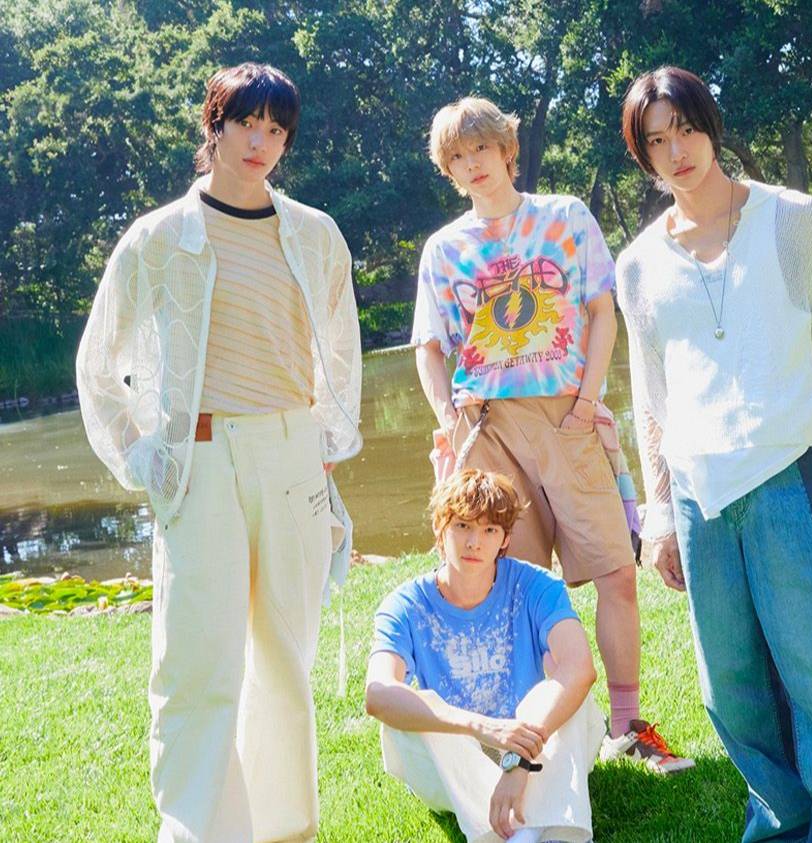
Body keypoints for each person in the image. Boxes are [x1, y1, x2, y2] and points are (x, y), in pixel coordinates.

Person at [75, 62, 361, 841]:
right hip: (198, 459)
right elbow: (98, 365)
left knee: (284, 652)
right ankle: (200, 828)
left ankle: (284, 826)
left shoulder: (314, 234)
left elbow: (340, 348)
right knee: (198, 655)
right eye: (246, 124)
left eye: (276, 129)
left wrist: (325, 441)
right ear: (215, 126)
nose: (260, 141)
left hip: (290, 452)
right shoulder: (160, 238)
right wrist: (144, 455)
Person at [614, 66, 812, 842]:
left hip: (790, 472)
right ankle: (780, 826)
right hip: (701, 496)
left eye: (686, 129)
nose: (677, 152)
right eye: (657, 141)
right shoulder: (637, 264)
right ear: (643, 155)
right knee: (733, 690)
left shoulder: (791, 218)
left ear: (711, 126)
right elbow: (651, 396)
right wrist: (661, 511)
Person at [411, 96, 689, 773]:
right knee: (510, 582)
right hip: (488, 429)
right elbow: (429, 346)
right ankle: (531, 732)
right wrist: (450, 420)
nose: (471, 164)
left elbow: (602, 313)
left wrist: (586, 402)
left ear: (507, 149)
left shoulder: (564, 218)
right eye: (456, 157)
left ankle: (627, 724)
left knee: (616, 571)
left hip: (569, 415)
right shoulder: (444, 249)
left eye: (481, 148)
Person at [366, 469, 604, 843]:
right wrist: (481, 727)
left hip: (531, 746)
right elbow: (377, 693)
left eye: (489, 530)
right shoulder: (405, 605)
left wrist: (518, 758)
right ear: (440, 528)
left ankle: (556, 834)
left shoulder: (536, 586)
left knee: (569, 689)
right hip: (454, 759)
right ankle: (510, 830)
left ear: (505, 538)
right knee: (414, 707)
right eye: (462, 526)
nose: (474, 542)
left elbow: (580, 668)